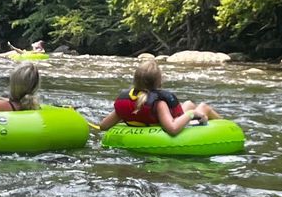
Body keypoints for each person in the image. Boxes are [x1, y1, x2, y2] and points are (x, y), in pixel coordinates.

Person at [95, 55, 223, 137]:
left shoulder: (128, 100)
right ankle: (226, 127)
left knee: (188, 104)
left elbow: (103, 126)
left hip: (148, 123)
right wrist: (192, 114)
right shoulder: (159, 103)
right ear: (159, 82)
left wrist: (128, 117)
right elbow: (172, 129)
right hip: (164, 124)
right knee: (202, 107)